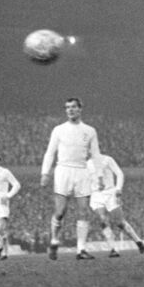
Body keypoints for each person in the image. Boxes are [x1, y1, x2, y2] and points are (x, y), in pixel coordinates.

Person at [40, 97, 100, 260]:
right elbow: (50, 152)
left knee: (83, 211)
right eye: (67, 107)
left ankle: (81, 250)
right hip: (63, 171)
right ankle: (54, 240)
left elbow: (95, 155)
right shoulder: (58, 130)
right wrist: (45, 173)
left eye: (73, 107)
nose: (70, 110)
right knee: (60, 212)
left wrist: (99, 175)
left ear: (80, 109)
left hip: (82, 171)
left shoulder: (90, 131)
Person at [87, 152, 144, 257]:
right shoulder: (87, 164)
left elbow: (119, 174)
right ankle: (114, 249)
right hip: (96, 195)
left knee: (120, 223)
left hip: (110, 193)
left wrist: (118, 189)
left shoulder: (107, 159)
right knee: (103, 220)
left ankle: (138, 241)